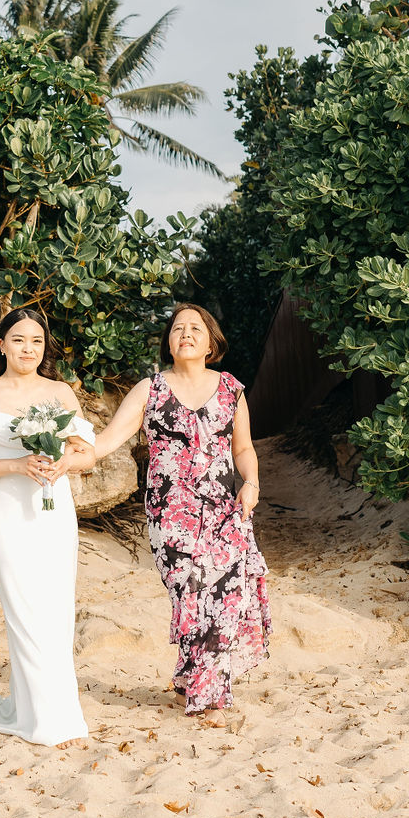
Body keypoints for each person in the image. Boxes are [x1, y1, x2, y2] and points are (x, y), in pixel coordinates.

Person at [88, 303, 270, 723]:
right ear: (169, 341)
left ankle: (203, 688)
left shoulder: (231, 389)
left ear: (211, 341)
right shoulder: (149, 390)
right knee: (191, 593)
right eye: (177, 328)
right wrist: (67, 454)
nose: (185, 333)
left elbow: (242, 448)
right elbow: (109, 439)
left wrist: (252, 483)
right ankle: (200, 678)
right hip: (171, 514)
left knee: (223, 595)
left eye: (195, 328)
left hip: (226, 508)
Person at [0, 307, 96, 748]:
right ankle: (37, 715)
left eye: (37, 341)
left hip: (53, 508)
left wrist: (64, 462)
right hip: (7, 510)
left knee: (56, 606)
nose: (29, 349)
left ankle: (56, 709)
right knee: (22, 609)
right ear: (2, 343)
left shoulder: (61, 392)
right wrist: (17, 465)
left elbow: (87, 451)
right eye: (19, 339)